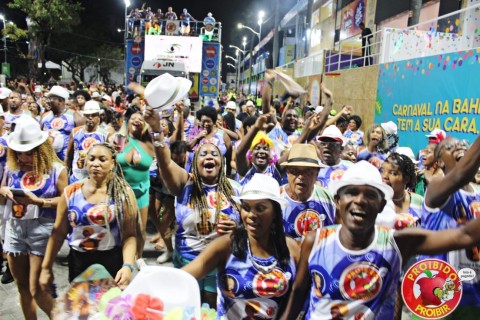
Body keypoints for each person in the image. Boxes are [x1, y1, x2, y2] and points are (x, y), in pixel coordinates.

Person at [280, 159, 480, 319]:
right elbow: (299, 291)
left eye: (370, 195)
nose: (359, 200)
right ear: (338, 200)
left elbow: (466, 235)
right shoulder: (315, 241)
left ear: (381, 203)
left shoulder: (397, 244)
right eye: (351, 192)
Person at [144, 104, 241, 308]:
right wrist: (156, 131)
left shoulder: (236, 190)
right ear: (195, 162)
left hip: (222, 263)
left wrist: (238, 231)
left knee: (214, 311)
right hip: (187, 262)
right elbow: (165, 162)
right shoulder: (185, 183)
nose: (209, 156)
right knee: (188, 310)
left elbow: (252, 228)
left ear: (221, 163)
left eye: (214, 154)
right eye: (203, 154)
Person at [182, 174, 299, 319]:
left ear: (275, 212)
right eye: (246, 208)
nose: (251, 215)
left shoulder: (291, 248)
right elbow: (183, 277)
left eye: (260, 208)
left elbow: (301, 295)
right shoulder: (226, 246)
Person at [40, 143, 138, 290]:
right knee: (82, 310)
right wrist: (46, 267)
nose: (96, 164)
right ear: (86, 163)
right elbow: (58, 233)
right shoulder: (71, 192)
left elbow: (130, 235)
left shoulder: (123, 193)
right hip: (79, 262)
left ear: (112, 163)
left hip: (111, 260)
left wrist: (127, 266)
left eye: (102, 159)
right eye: (91, 159)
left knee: (110, 309)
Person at [0, 115, 68, 319]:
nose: (22, 158)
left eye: (28, 153)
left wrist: (39, 202)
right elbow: (3, 200)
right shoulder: (12, 168)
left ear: (40, 150)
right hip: (15, 229)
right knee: (22, 286)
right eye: (18, 153)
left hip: (44, 230)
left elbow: (66, 202)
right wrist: (3, 191)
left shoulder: (57, 170)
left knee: (37, 289)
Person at [419, 134, 480, 317]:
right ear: (439, 162)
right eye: (449, 147)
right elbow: (461, 175)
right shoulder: (436, 189)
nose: (459, 146)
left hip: (473, 294)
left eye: (463, 144)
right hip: (437, 295)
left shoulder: (478, 195)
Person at [116, 107, 154, 258]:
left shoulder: (148, 142)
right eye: (133, 118)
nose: (137, 121)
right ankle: (122, 258)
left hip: (142, 192)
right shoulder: (120, 139)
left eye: (140, 119)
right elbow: (113, 159)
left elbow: (160, 136)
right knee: (121, 228)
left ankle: (138, 258)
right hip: (122, 191)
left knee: (141, 229)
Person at [280, 144, 336, 241]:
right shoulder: (276, 198)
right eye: (295, 171)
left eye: (308, 171)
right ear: (287, 172)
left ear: (317, 173)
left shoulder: (328, 198)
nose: (301, 177)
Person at [65, 101, 109, 183]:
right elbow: (69, 156)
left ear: (99, 116)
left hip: (96, 179)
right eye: (87, 115)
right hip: (76, 177)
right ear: (83, 116)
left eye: (93, 115)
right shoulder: (75, 132)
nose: (90, 118)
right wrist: (66, 173)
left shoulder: (105, 135)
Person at [381, 153, 423, 230]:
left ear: (406, 179)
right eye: (382, 170)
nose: (384, 176)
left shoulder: (419, 202)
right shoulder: (376, 201)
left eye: (393, 173)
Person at [236, 115, 281, 186]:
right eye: (257, 148)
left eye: (265, 149)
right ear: (251, 153)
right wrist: (256, 128)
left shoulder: (275, 170)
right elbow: (239, 154)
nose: (261, 151)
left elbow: (293, 151)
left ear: (271, 153)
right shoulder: (246, 169)